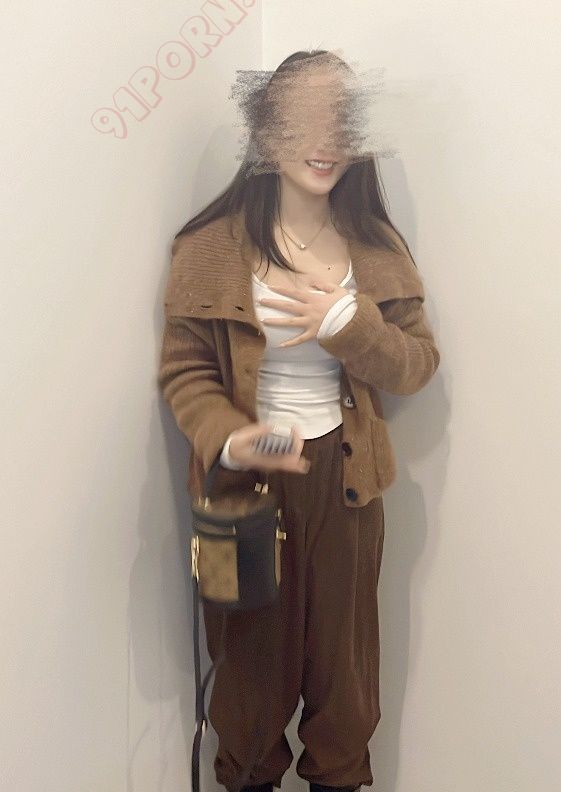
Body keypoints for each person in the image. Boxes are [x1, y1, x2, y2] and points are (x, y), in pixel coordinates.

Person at [158, 49, 441, 792]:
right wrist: (228, 435)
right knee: (244, 692)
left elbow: (416, 365)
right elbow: (185, 371)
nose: (324, 141)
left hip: (348, 490)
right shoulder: (208, 247)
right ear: (265, 130)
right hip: (236, 496)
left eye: (340, 121)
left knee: (345, 689)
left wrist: (350, 324)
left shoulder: (376, 250)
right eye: (302, 120)